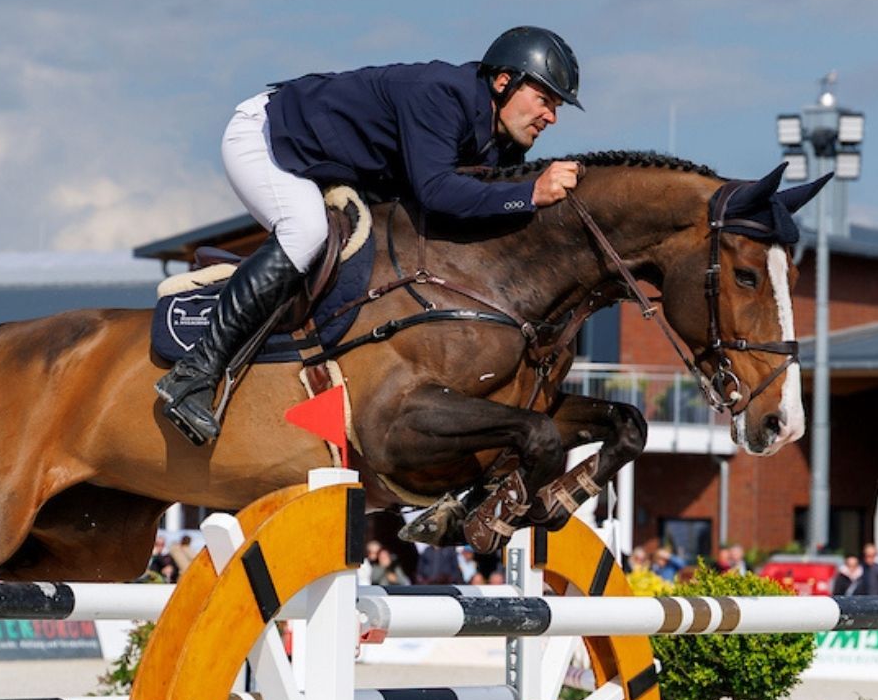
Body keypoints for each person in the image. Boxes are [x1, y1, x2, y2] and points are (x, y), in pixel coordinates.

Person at [156, 27, 584, 445]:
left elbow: (471, 198)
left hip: (331, 165)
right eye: (545, 99)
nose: (552, 116)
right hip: (269, 140)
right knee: (307, 232)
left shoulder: (497, 134)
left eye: (557, 105)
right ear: (503, 81)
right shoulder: (441, 94)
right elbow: (436, 191)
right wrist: (531, 193)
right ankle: (193, 374)